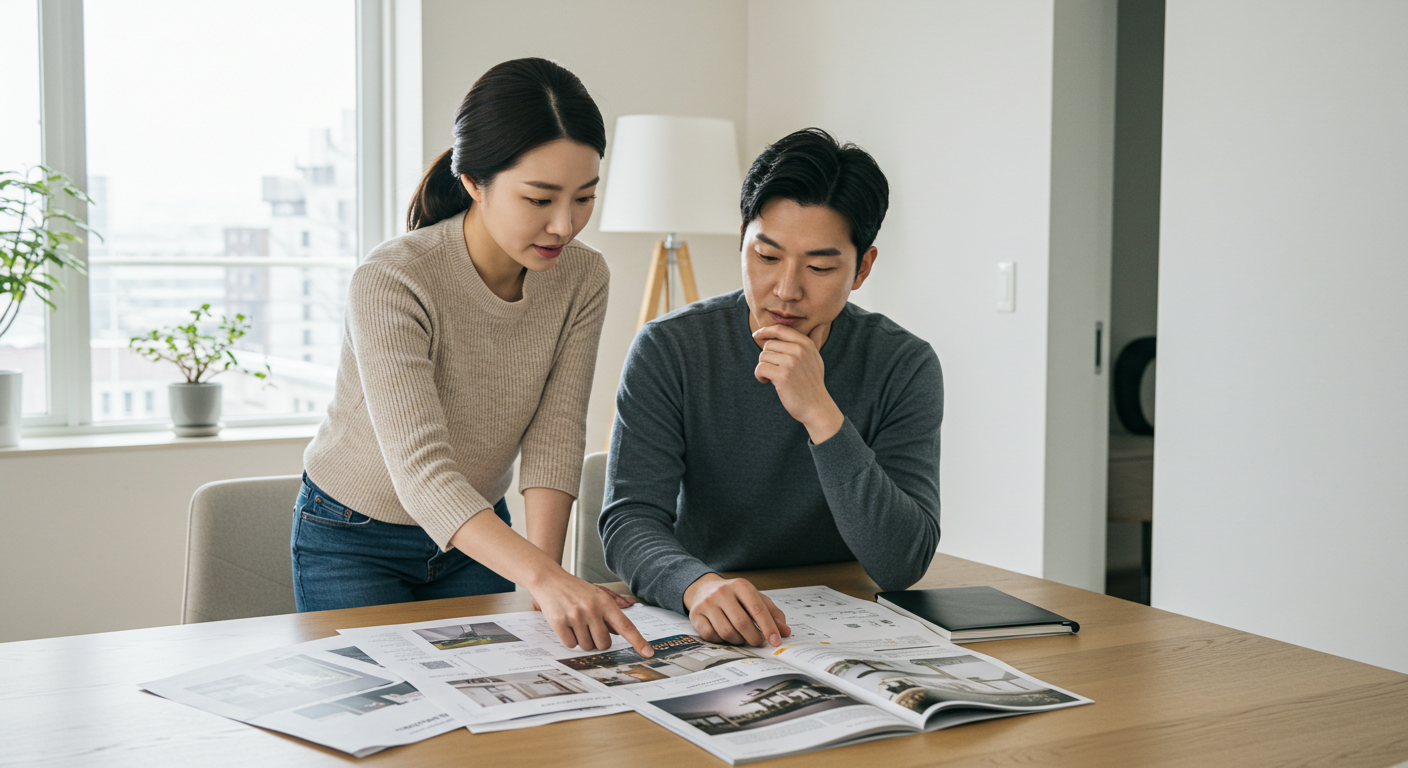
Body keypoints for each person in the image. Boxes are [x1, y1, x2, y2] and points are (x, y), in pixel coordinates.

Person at [293, 57, 650, 658]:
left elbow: (556, 433)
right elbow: (421, 469)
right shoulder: (393, 278)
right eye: (539, 199)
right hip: (353, 537)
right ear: (474, 182)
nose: (564, 225)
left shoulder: (583, 276)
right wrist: (543, 576)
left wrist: (547, 577)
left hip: (476, 536)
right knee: (389, 728)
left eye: (584, 198)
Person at [600, 128, 942, 648]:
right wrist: (695, 585)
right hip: (706, 615)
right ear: (742, 240)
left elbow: (901, 564)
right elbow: (629, 519)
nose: (786, 289)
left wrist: (821, 414)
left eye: (821, 266)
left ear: (863, 268)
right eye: (767, 256)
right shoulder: (671, 348)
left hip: (844, 625)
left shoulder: (903, 364)